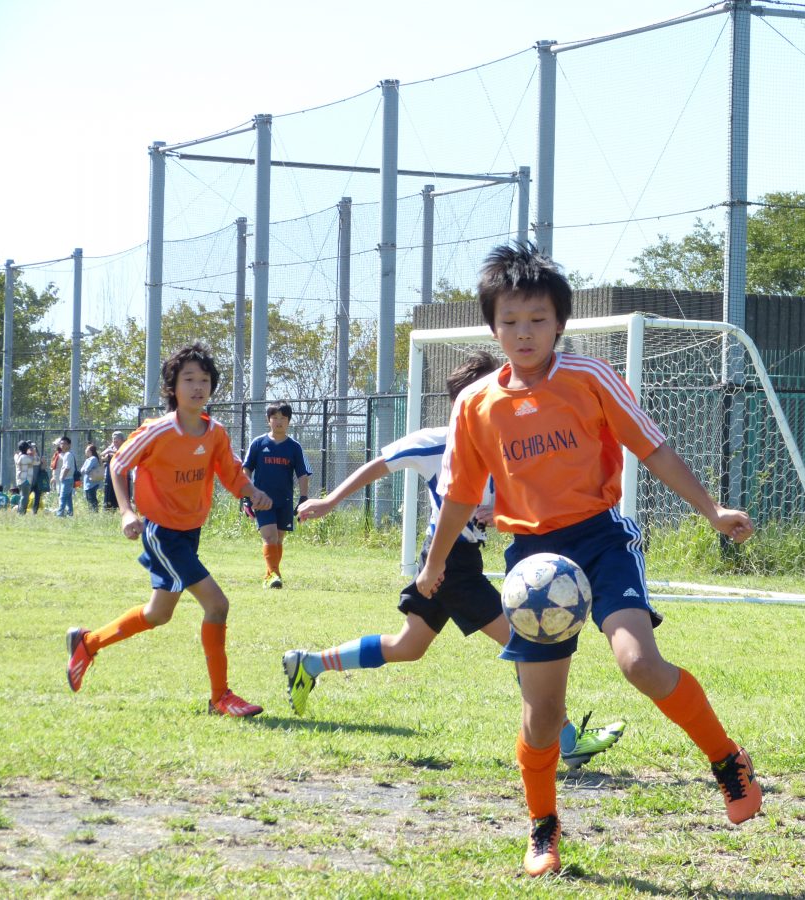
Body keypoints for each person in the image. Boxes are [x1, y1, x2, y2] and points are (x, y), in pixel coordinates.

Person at [415, 244, 761, 876]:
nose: (524, 332)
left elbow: (653, 449)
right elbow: (461, 493)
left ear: (560, 325)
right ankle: (542, 825)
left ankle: (726, 759)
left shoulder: (590, 378)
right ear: (493, 327)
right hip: (532, 563)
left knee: (639, 662)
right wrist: (435, 563)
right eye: (511, 320)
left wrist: (712, 511)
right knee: (543, 713)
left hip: (601, 540)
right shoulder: (475, 404)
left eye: (538, 319)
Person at [289, 352, 625, 770]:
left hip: (461, 559)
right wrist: (330, 501)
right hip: (446, 562)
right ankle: (567, 741)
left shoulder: (507, 443)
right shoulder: (438, 442)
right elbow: (380, 465)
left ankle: (310, 663)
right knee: (524, 639)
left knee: (408, 645)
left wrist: (500, 509)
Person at [65, 342, 274, 717]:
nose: (197, 386)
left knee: (158, 613)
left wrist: (252, 491)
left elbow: (232, 474)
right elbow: (118, 466)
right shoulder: (157, 430)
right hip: (162, 533)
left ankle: (88, 642)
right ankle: (220, 697)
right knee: (217, 605)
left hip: (189, 533)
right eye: (188, 379)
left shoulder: (215, 432)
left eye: (204, 379)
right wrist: (126, 512)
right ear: (172, 387)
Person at [242, 402, 312, 589]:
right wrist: (247, 497)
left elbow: (303, 474)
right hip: (261, 500)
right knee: (270, 537)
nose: (279, 421)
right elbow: (246, 469)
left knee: (278, 539)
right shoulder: (258, 443)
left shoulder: (294, 447)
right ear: (268, 420)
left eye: (283, 418)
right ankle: (275, 575)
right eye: (275, 417)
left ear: (288, 421)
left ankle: (270, 574)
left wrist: (303, 498)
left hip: (285, 501)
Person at [101, 431, 127, 510]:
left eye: (116, 439)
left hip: (121, 473)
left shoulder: (124, 447)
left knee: (120, 490)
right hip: (110, 473)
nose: (115, 441)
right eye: (113, 439)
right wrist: (106, 455)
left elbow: (122, 455)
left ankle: (120, 507)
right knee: (109, 489)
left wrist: (111, 452)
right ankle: (108, 507)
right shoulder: (111, 447)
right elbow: (102, 455)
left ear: (122, 440)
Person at [14, 440, 42, 515]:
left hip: (20, 480)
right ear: (26, 448)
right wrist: (35, 453)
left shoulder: (17, 456)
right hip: (25, 480)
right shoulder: (25, 457)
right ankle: (21, 513)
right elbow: (37, 462)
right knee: (24, 497)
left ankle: (19, 512)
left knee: (22, 496)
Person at [54, 437, 77, 517]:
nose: (62, 445)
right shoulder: (68, 454)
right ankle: (70, 514)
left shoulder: (68, 454)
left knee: (62, 498)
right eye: (61, 443)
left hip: (66, 479)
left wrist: (62, 477)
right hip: (69, 479)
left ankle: (59, 515)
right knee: (68, 499)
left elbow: (67, 467)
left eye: (65, 444)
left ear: (69, 445)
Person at [80, 442, 103, 511]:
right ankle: (91, 511)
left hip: (92, 482)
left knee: (92, 497)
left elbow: (86, 469)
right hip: (87, 482)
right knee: (88, 497)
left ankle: (95, 511)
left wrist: (85, 469)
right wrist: (84, 469)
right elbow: (82, 470)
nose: (85, 451)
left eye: (87, 450)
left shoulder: (93, 458)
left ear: (90, 451)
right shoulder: (88, 459)